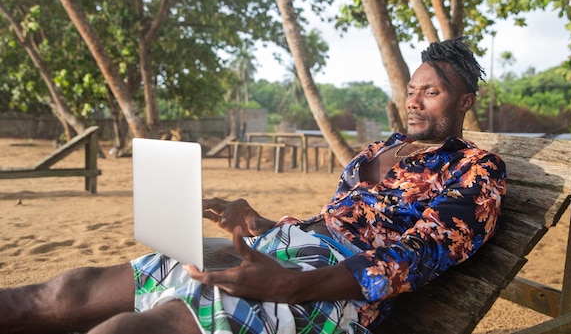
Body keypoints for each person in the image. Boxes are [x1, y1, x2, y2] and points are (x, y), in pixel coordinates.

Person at [0, 37, 506, 334]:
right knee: (72, 288)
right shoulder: (383, 151)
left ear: (464, 102)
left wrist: (291, 284)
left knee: (134, 329)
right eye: (411, 90)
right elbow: (338, 216)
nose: (414, 101)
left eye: (432, 93)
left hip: (333, 290)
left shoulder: (476, 171)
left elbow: (416, 256)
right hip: (284, 249)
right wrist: (258, 223)